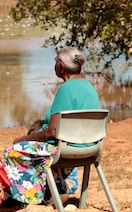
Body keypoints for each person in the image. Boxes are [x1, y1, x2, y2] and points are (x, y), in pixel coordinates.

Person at [9, 46, 101, 203]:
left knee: (13, 150)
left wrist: (25, 138)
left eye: (56, 62)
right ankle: (54, 190)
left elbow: (52, 131)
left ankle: (29, 198)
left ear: (61, 66)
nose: (55, 66)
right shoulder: (89, 87)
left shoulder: (65, 89)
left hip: (66, 150)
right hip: (91, 148)